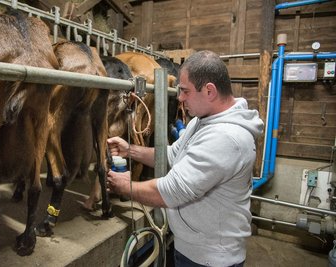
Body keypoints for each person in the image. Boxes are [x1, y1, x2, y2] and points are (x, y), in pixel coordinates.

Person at [106, 50, 264, 267]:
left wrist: (126, 187)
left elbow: (171, 191)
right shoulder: (202, 121)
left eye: (185, 91)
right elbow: (172, 155)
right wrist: (130, 150)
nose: (179, 98)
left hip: (210, 259)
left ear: (209, 91)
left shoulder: (226, 137)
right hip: (191, 248)